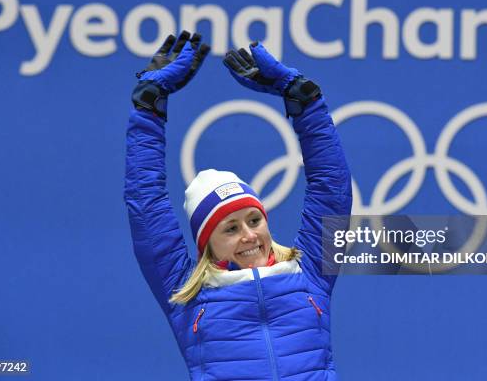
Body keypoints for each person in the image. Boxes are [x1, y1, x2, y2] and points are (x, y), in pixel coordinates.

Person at [125, 31, 352, 380]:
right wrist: (148, 107)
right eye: (230, 228)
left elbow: (331, 189)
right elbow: (146, 203)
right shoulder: (187, 294)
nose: (249, 235)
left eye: (254, 220)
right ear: (207, 243)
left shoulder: (309, 273)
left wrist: (305, 102)